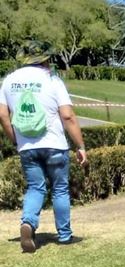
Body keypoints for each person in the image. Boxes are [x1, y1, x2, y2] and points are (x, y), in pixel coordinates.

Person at [0, 40, 87, 253]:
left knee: (35, 187)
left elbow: (3, 114)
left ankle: (28, 223)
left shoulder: (9, 80)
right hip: (54, 143)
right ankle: (65, 236)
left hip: (27, 145)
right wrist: (80, 145)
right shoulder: (52, 79)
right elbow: (67, 115)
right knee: (59, 189)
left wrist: (15, 139)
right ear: (46, 58)